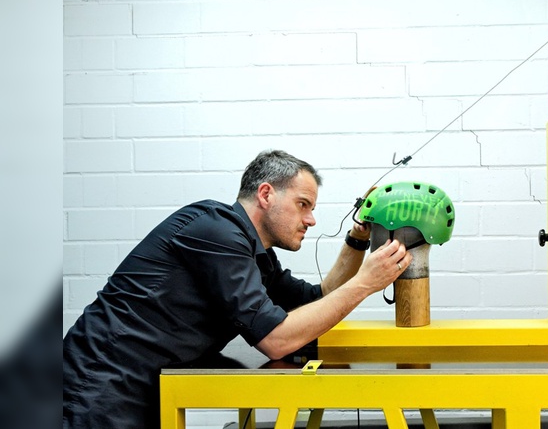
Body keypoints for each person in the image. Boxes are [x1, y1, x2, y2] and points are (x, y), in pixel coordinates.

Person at [62, 150, 412, 428]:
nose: (311, 219)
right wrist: (367, 283)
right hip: (98, 386)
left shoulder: (254, 253)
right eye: (303, 205)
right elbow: (277, 340)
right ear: (266, 194)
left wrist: (359, 237)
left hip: (141, 389)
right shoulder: (218, 232)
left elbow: (317, 300)